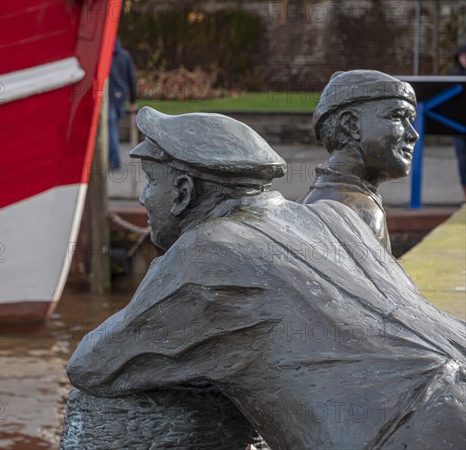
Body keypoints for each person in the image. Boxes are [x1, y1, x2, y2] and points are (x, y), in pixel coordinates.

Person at [68, 107, 465, 450]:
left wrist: (163, 273)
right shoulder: (334, 216)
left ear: (183, 191)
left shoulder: (208, 252)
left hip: (403, 430)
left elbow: (93, 364)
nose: (142, 199)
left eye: (152, 182)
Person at [297, 70, 419, 252]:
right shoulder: (360, 210)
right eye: (397, 116)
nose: (413, 135)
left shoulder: (314, 199)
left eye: (411, 120)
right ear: (351, 124)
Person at [108, 37, 137, 169]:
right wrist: (133, 100)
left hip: (108, 99)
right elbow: (132, 78)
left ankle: (114, 162)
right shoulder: (125, 56)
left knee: (111, 130)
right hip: (121, 98)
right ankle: (112, 159)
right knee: (113, 129)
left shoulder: (105, 56)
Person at [450, 44, 466, 202]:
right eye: (462, 56)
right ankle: (464, 191)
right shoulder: (453, 76)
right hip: (457, 125)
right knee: (462, 159)